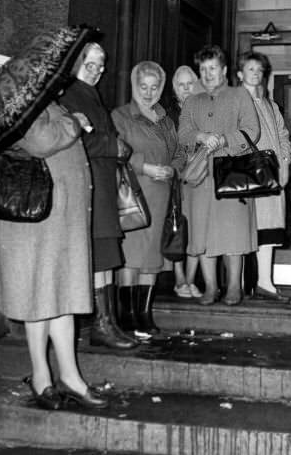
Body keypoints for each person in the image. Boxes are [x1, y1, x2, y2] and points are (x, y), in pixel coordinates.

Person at [0, 28, 107, 411]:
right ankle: (41, 376)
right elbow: (40, 141)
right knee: (40, 296)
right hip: (38, 216)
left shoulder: (44, 98)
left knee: (60, 296)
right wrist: (73, 122)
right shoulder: (24, 97)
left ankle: (69, 376)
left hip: (58, 218)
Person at [59, 42, 136, 349]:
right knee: (98, 258)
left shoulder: (90, 94)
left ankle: (107, 322)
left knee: (105, 257)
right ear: (75, 63)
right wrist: (112, 146)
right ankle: (100, 325)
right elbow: (73, 139)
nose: (95, 71)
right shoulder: (68, 94)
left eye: (100, 66)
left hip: (101, 187)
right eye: (89, 64)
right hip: (88, 187)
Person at [178, 45, 260, 306]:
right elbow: (182, 134)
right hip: (200, 176)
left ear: (224, 69)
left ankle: (234, 286)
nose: (208, 73)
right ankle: (211, 287)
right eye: (203, 69)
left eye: (212, 67)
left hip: (232, 173)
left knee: (233, 232)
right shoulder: (192, 101)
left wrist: (224, 140)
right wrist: (200, 137)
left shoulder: (239, 96)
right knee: (202, 233)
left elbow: (252, 131)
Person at [111, 61, 183, 335]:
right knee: (131, 257)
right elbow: (117, 151)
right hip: (132, 194)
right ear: (134, 86)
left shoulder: (165, 119)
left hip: (160, 195)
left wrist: (172, 170)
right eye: (143, 86)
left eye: (155, 87)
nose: (149, 93)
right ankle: (127, 318)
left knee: (152, 257)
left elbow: (178, 154)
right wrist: (145, 166)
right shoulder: (120, 116)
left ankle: (144, 315)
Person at [237, 51, 291, 303]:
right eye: (251, 69)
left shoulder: (270, 105)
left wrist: (285, 162)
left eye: (259, 70)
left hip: (270, 174)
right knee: (239, 231)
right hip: (243, 173)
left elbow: (283, 136)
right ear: (240, 74)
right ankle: (236, 285)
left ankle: (264, 282)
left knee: (268, 230)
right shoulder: (232, 103)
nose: (256, 74)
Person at [167, 65, 203, 298]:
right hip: (176, 181)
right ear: (174, 89)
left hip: (200, 180)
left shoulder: (206, 109)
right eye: (181, 84)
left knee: (198, 230)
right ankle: (179, 279)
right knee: (178, 229)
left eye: (190, 83)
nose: (186, 88)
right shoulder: (166, 114)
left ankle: (191, 280)